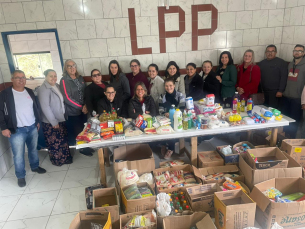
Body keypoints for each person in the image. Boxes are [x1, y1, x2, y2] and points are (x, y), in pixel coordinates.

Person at [0, 70, 46, 187]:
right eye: (17, 77)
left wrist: (37, 121)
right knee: (19, 155)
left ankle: (35, 166)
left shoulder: (29, 92)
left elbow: (35, 108)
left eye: (23, 77)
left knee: (33, 149)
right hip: (16, 130)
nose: (21, 80)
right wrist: (3, 128)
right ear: (12, 79)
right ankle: (20, 176)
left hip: (32, 127)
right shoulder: (5, 94)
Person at [37, 69, 73, 166]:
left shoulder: (56, 86)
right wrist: (53, 122)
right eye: (51, 76)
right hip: (51, 122)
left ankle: (66, 158)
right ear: (45, 77)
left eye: (55, 76)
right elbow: (45, 107)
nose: (53, 78)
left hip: (60, 118)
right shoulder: (43, 89)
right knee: (55, 142)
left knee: (63, 140)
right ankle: (58, 160)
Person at [60, 59, 93, 156]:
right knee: (78, 130)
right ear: (66, 68)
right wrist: (80, 107)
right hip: (73, 112)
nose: (72, 68)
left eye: (73, 65)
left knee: (85, 129)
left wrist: (86, 105)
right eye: (69, 66)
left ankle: (86, 146)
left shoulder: (80, 78)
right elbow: (67, 98)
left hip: (84, 110)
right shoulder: (64, 80)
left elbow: (86, 91)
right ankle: (82, 149)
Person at [282, 44, 305, 138]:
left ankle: (291, 141)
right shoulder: (290, 64)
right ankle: (283, 141)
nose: (297, 52)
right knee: (285, 120)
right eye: (295, 50)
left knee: (294, 122)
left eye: (299, 51)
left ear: (303, 53)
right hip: (286, 96)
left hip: (297, 99)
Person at [159, 78, 185, 159]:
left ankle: (171, 149)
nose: (168, 87)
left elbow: (182, 108)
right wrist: (164, 113)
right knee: (162, 127)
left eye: (170, 85)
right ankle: (163, 145)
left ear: (174, 85)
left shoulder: (180, 95)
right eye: (166, 86)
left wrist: (174, 114)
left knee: (172, 129)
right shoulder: (162, 96)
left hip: (177, 118)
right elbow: (160, 109)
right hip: (165, 119)